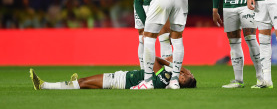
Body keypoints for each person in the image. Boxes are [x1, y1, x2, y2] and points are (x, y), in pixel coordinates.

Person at [133, 0, 188, 89]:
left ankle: (147, 82)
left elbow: (137, 3)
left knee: (148, 39)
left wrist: (145, 27)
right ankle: (174, 81)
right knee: (177, 39)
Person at [30, 56, 196, 90]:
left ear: (181, 81)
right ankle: (74, 83)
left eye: (183, 77)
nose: (182, 74)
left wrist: (173, 64)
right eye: (184, 75)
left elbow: (154, 59)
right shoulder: (169, 80)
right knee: (83, 82)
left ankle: (44, 86)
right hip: (122, 77)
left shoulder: (164, 78)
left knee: (82, 83)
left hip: (120, 81)